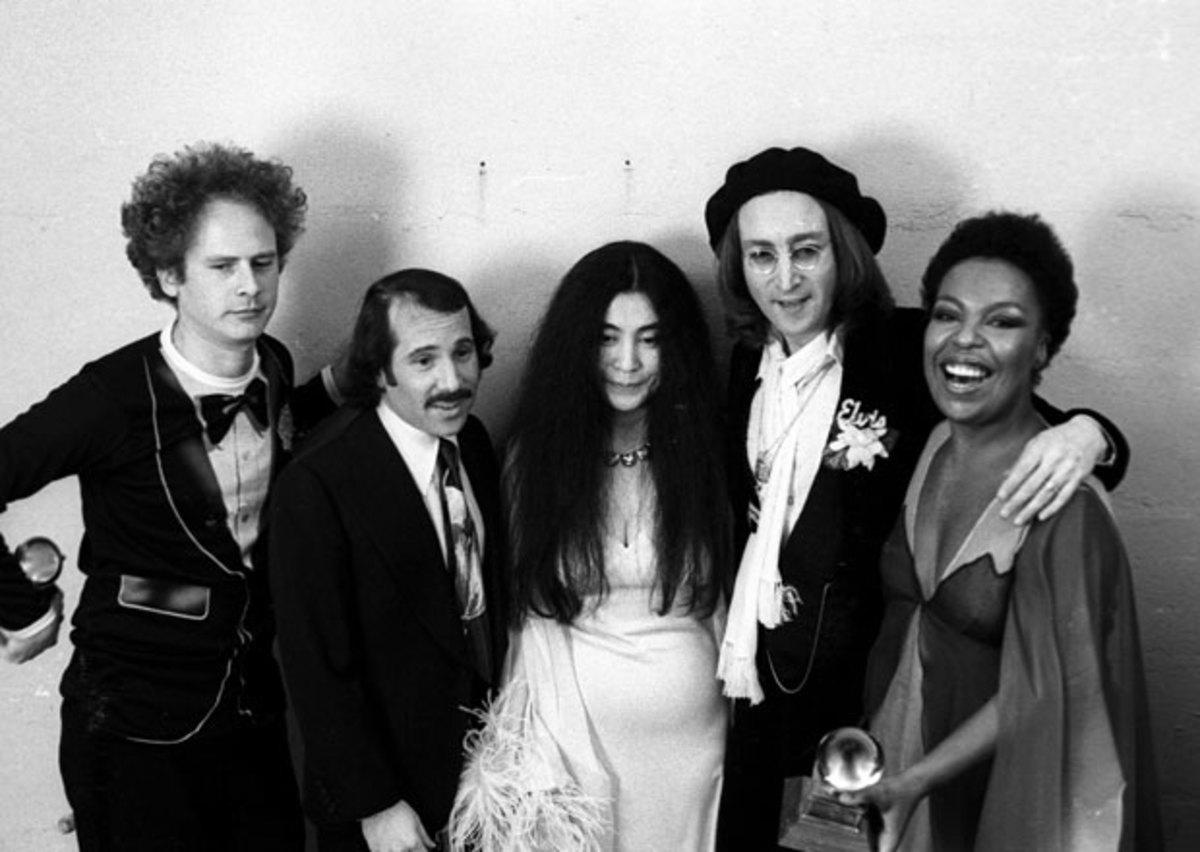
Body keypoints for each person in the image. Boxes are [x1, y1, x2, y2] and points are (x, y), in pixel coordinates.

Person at [703, 147, 1131, 849]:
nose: (784, 279)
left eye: (806, 251)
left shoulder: (905, 347)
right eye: (761, 255)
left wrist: (1093, 435)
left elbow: (1033, 427)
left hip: (863, 704)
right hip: (756, 688)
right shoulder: (746, 362)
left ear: (842, 253)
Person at [0, 142, 313, 849]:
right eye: (222, 266)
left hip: (252, 710)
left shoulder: (275, 368)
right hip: (131, 724)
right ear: (169, 274)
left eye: (263, 263)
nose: (249, 287)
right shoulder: (108, 398)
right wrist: (21, 610)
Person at [845, 211, 1161, 850]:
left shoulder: (1065, 502)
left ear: (1043, 345)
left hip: (992, 799)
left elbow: (1053, 690)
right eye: (948, 314)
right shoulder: (933, 441)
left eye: (1003, 322)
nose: (965, 340)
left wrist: (913, 784)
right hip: (890, 764)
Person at [450, 241, 731, 851]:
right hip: (572, 756)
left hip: (693, 753)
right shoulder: (535, 459)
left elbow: (725, 611)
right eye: (607, 338)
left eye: (649, 339)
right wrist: (535, 762)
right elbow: (528, 622)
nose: (626, 362)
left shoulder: (708, 452)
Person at [270, 269, 508, 852]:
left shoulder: (471, 442)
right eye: (423, 360)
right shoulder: (318, 480)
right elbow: (316, 668)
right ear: (379, 370)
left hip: (484, 788)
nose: (453, 380)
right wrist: (375, 806)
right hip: (385, 810)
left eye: (463, 352)